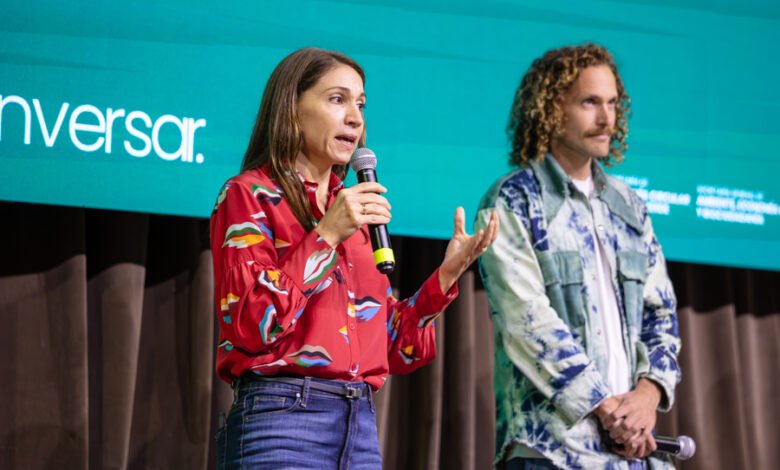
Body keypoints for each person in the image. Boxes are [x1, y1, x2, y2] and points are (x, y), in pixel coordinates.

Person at [210, 47, 498, 469]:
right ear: (292, 108)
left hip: (359, 423)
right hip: (283, 419)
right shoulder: (249, 196)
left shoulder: (355, 214)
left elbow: (394, 347)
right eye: (337, 99)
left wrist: (446, 276)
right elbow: (253, 324)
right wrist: (325, 234)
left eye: (360, 104)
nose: (355, 118)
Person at [475, 43, 681, 469]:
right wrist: (608, 410)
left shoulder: (630, 206)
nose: (607, 118)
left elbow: (662, 315)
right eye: (590, 102)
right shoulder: (512, 200)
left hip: (629, 453)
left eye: (612, 103)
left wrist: (647, 397)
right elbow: (526, 323)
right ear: (550, 109)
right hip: (550, 451)